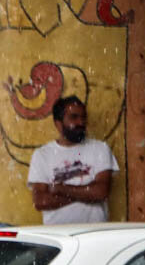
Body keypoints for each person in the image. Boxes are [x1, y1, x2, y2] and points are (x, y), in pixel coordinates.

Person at [27, 95, 118, 224]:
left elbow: (101, 192)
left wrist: (62, 190)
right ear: (58, 124)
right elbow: (41, 201)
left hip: (95, 232)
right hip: (57, 233)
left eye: (83, 117)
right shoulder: (42, 155)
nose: (81, 122)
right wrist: (86, 193)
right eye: (74, 117)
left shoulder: (100, 148)